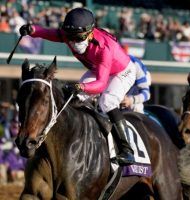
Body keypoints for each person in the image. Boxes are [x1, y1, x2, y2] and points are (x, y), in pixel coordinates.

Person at [19, 7, 137, 166]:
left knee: (107, 102)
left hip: (122, 72)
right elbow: (50, 33)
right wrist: (33, 30)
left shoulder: (104, 48)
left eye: (79, 37)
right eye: (71, 37)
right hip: (98, 69)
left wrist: (81, 86)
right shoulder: (69, 34)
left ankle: (127, 150)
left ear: (90, 32)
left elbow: (101, 85)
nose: (74, 41)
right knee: (72, 100)